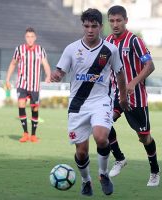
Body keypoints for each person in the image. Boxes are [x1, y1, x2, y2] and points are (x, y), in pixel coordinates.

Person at [51, 8, 130, 196]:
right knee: (81, 152)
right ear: (83, 26)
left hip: (101, 101)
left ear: (101, 27)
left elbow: (120, 73)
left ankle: (103, 174)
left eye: (94, 26)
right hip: (77, 104)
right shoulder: (71, 49)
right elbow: (61, 71)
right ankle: (86, 181)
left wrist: (123, 96)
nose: (90, 30)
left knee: (101, 137)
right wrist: (57, 75)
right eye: (86, 26)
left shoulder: (110, 50)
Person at [106, 5, 161, 186]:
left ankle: (154, 171)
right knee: (103, 124)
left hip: (136, 97)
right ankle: (120, 158)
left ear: (126, 21)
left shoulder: (134, 41)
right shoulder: (107, 42)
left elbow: (150, 65)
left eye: (118, 20)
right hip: (115, 95)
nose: (115, 24)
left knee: (144, 137)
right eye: (112, 21)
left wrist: (133, 82)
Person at [6, 27, 51, 143]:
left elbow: (45, 64)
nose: (30, 39)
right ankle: (25, 133)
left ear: (35, 38)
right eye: (28, 37)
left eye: (32, 37)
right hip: (22, 83)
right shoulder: (19, 49)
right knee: (21, 105)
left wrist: (48, 75)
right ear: (25, 38)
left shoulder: (40, 50)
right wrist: (7, 79)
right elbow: (13, 64)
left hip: (35, 85)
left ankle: (33, 135)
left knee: (34, 109)